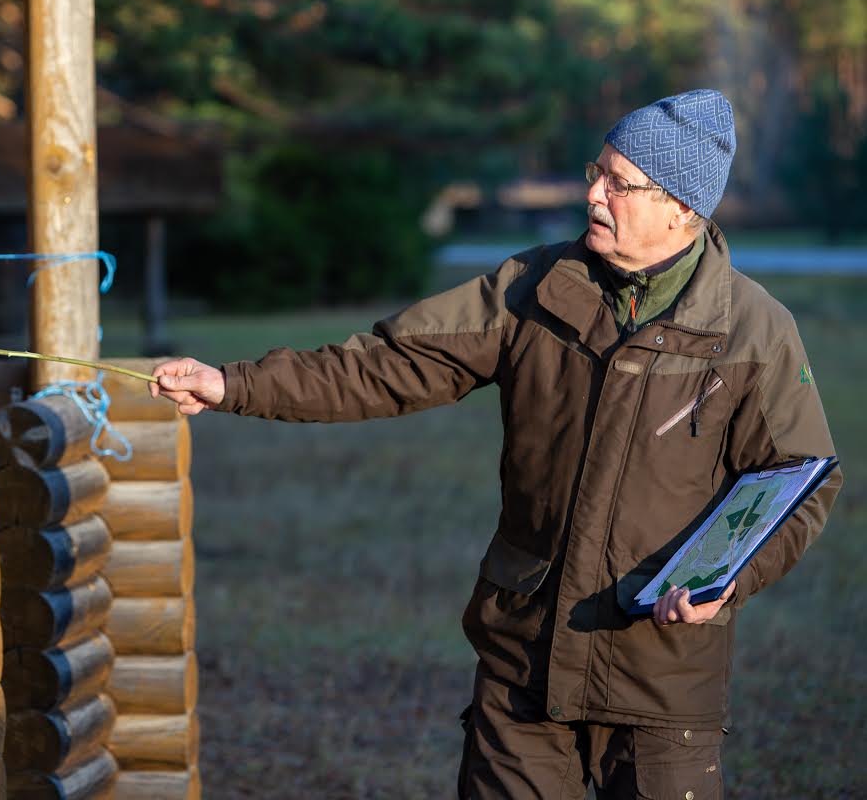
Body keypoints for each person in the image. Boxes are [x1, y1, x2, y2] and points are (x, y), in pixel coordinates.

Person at [149, 89, 841, 798]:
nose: (594, 195)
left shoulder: (757, 333)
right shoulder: (532, 289)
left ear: (683, 210)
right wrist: (231, 384)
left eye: (619, 183)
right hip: (522, 673)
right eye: (594, 172)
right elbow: (383, 367)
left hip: (661, 685)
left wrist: (723, 581)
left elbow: (798, 480)